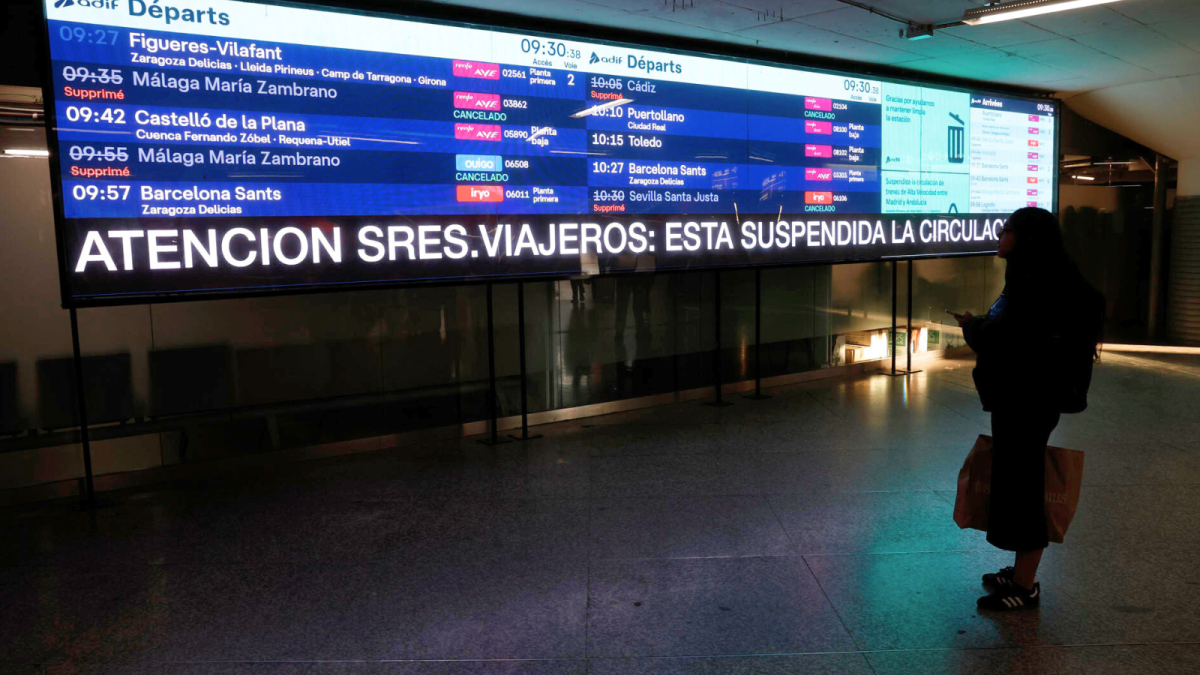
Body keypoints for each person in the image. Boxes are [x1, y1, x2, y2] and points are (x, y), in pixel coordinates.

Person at [949, 207, 1105, 612]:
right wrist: (981, 325)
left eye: (1007, 231)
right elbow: (1015, 332)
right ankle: (1019, 570)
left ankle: (1025, 585)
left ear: (1025, 239)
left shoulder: (1035, 285)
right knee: (1018, 480)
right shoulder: (1042, 276)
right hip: (1030, 398)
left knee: (1023, 486)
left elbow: (1009, 338)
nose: (1000, 236)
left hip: (1027, 400)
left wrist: (972, 328)